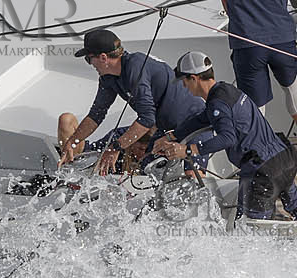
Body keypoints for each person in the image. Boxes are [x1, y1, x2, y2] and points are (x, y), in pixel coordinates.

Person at [152, 51, 297, 222]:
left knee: (249, 227)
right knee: (294, 200)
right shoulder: (226, 90)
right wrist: (172, 136)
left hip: (262, 171)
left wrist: (187, 151)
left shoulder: (217, 103)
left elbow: (227, 138)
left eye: (184, 81)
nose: (183, 87)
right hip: (284, 158)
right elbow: (201, 119)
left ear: (194, 78)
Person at [58, 28, 205, 176]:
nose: (90, 64)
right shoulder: (108, 77)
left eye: (88, 59)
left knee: (192, 175)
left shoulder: (135, 67)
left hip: (196, 122)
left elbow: (147, 119)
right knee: (146, 172)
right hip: (167, 131)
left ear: (103, 58)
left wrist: (116, 147)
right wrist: (72, 142)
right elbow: (96, 115)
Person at [214, 0, 297, 163]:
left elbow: (228, 6)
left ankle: (264, 156)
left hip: (246, 41)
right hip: (281, 37)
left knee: (255, 103)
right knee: (291, 85)